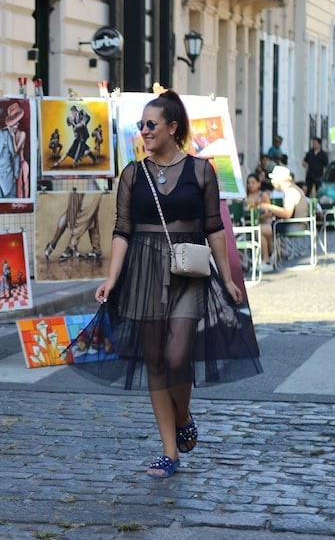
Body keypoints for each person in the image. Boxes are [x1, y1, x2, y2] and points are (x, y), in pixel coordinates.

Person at [93, 90, 261, 479]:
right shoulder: (132, 175)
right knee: (154, 360)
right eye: (141, 126)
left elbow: (214, 228)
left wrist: (229, 277)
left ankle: (183, 415)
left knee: (176, 355)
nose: (144, 132)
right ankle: (170, 451)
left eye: (151, 125)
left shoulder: (202, 171)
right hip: (142, 271)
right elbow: (122, 230)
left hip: (188, 271)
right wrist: (112, 277)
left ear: (172, 127)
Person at [244, 173, 275, 272]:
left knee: (258, 231)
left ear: (258, 184)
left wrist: (260, 216)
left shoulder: (263, 195)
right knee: (257, 231)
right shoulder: (246, 197)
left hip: (268, 224)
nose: (250, 185)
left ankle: (265, 259)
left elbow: (270, 212)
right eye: (248, 183)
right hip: (252, 224)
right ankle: (268, 257)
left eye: (253, 182)